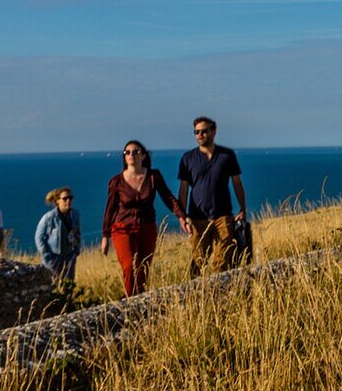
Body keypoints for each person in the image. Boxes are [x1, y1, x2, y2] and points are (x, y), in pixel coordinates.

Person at [101, 140, 188, 296]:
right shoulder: (117, 182)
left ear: (143, 155)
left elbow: (168, 197)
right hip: (123, 228)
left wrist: (181, 216)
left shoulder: (153, 177)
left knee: (143, 268)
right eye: (127, 152)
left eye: (135, 152)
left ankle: (139, 302)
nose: (131, 155)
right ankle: (128, 301)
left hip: (147, 228)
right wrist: (105, 235)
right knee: (129, 266)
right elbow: (110, 208)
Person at [178, 116, 247, 275]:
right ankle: (195, 295)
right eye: (196, 132)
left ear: (213, 132)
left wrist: (243, 208)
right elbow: (183, 188)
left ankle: (219, 295)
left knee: (222, 261)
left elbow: (237, 182)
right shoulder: (188, 158)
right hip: (197, 218)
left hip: (223, 216)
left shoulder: (227, 155)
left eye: (204, 131)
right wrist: (182, 216)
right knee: (198, 261)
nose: (200, 135)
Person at [35, 186, 82, 287]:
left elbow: (77, 233)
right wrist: (47, 256)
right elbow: (39, 237)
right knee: (52, 285)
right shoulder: (49, 217)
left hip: (69, 256)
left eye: (70, 198)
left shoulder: (75, 215)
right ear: (57, 201)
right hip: (54, 257)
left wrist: (76, 251)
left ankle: (67, 302)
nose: (68, 201)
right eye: (65, 198)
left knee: (69, 285)